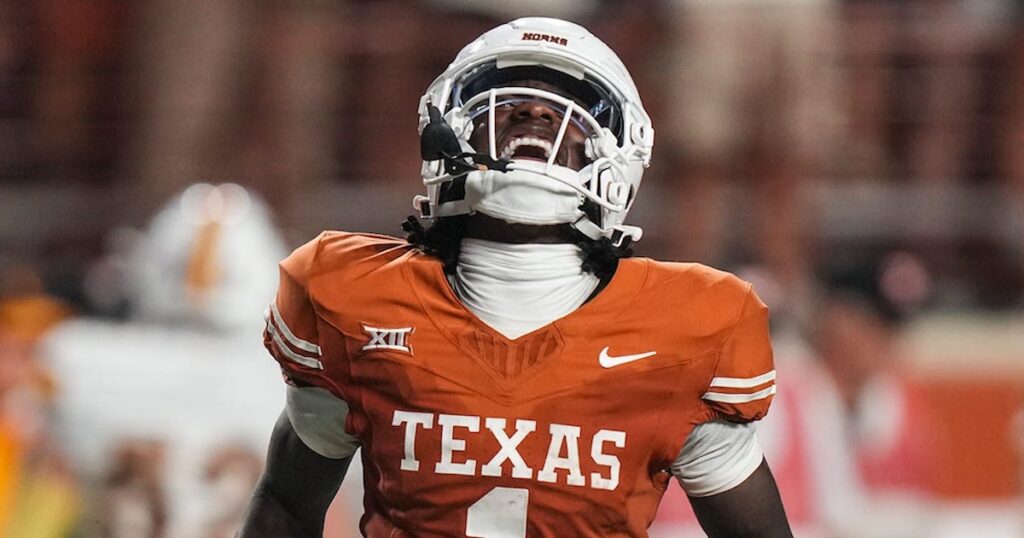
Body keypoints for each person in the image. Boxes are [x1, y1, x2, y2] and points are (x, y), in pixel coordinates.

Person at [240, 17, 791, 537]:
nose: (536, 113)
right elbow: (287, 505)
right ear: (449, 134)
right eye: (509, 100)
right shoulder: (360, 302)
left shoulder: (682, 332)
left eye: (569, 107)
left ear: (620, 155)